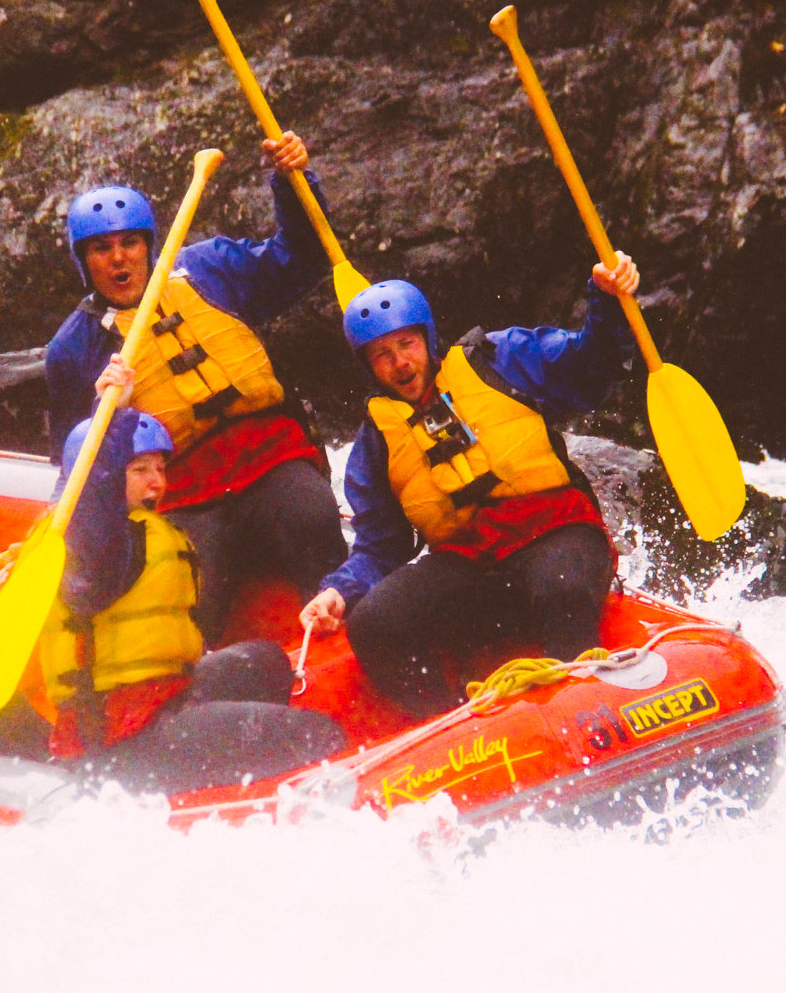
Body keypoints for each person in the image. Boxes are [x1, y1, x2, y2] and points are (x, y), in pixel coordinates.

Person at [299, 255, 642, 719]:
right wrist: (338, 590)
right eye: (383, 354)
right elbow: (380, 547)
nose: (400, 363)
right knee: (376, 623)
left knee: (559, 588)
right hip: (473, 557)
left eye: (407, 343)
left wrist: (607, 298)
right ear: (368, 366)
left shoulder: (498, 359)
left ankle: (585, 716)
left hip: (556, 529)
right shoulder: (376, 441)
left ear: (427, 338)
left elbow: (588, 367)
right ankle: (451, 728)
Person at [43, 133, 347, 645]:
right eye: (101, 249)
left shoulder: (210, 269)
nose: (119, 259)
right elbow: (75, 472)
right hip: (184, 491)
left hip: (270, 460)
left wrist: (293, 183)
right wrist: (103, 410)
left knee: (312, 515)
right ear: (84, 260)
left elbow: (304, 259)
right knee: (188, 592)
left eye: (130, 243)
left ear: (149, 244)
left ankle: (339, 645)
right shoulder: (73, 349)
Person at [38, 409, 346, 792]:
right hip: (120, 739)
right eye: (138, 470)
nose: (156, 482)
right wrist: (110, 415)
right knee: (320, 736)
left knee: (266, 662)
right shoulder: (91, 548)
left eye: (159, 468)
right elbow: (94, 500)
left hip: (158, 703)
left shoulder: (137, 531)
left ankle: (232, 780)